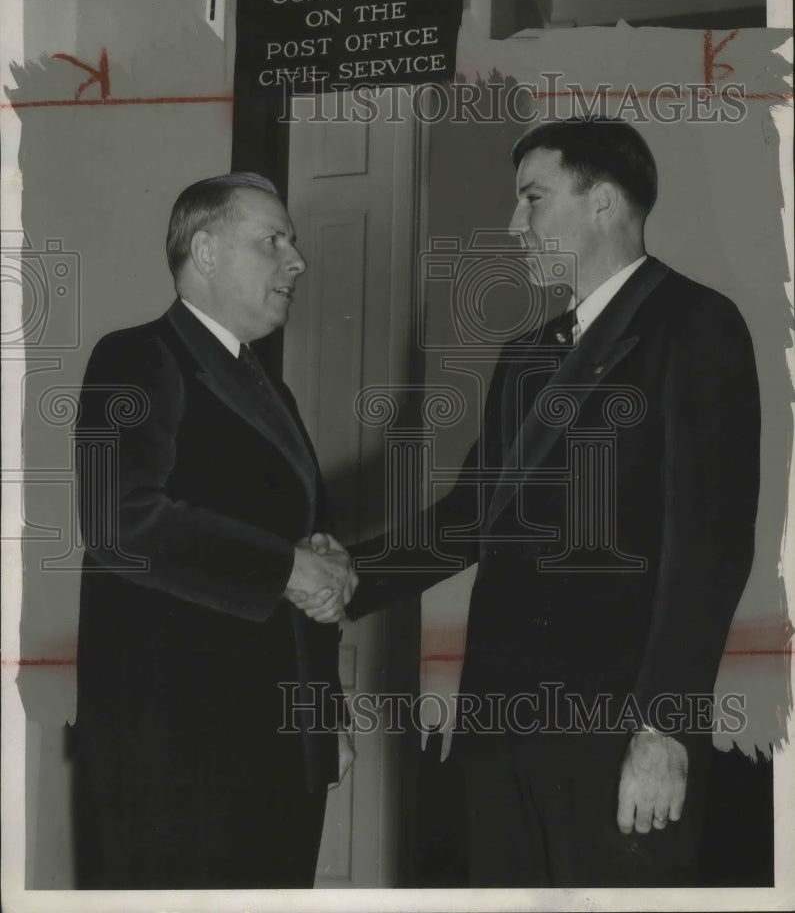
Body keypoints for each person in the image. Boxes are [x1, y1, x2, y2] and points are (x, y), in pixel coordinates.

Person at [312, 118, 761, 886]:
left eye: (532, 199)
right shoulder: (526, 352)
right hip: (499, 728)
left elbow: (709, 547)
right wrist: (347, 573)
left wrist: (664, 728)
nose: (513, 225)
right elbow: (471, 518)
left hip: (615, 735)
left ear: (603, 203)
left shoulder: (695, 325)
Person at [70, 173, 356, 889]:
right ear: (204, 251)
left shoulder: (268, 387)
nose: (296, 260)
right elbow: (120, 521)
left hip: (278, 747)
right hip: (177, 758)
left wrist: (325, 712)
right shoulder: (133, 357)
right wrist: (289, 567)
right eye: (273, 241)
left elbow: (293, 546)